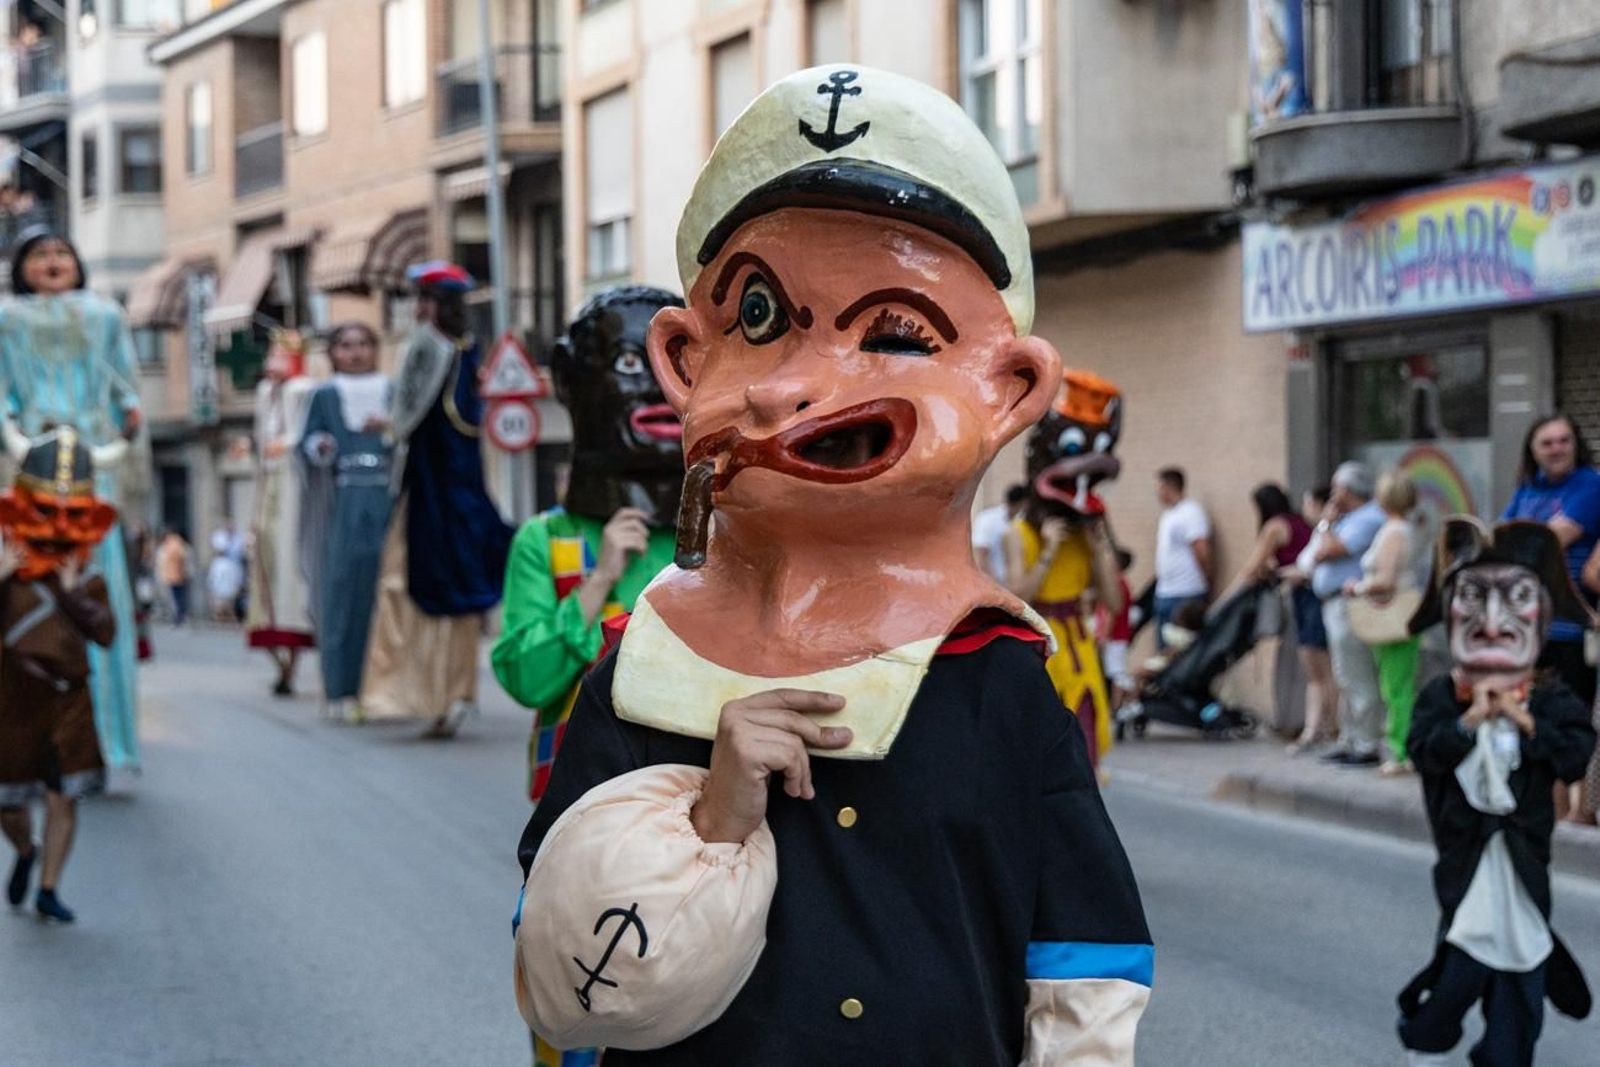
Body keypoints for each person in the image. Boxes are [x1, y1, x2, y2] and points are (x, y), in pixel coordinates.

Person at [511, 65, 1151, 1064]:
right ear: (686, 362)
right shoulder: (642, 668)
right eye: (760, 319)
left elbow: (1085, 958)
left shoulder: (995, 682)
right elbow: (561, 963)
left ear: (1009, 390)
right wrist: (707, 822)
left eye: (894, 333)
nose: (793, 387)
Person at [1398, 518, 1596, 1067]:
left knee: (1520, 983)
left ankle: (1500, 1056)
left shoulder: (1551, 699)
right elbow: (1423, 751)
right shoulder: (1442, 697)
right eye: (1471, 598)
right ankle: (1426, 1040)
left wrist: (1527, 724)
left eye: (1516, 598)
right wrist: (1469, 723)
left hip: (1524, 862)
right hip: (1465, 862)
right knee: (1462, 968)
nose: (1490, 621)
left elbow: (1574, 757)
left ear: (1544, 616)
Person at [493, 286, 683, 809]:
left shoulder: (722, 534)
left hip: (693, 792)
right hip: (579, 795)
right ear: (569, 379)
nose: (658, 386)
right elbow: (527, 681)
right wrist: (599, 581)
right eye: (630, 363)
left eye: (677, 363)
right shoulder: (546, 541)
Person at [0, 228, 143, 773]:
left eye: (61, 252)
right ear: (22, 268)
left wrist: (129, 417)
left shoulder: (106, 315)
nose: (52, 261)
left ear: (79, 263)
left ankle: (103, 736)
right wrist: (14, 434)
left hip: (92, 463)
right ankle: (23, 737)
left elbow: (123, 385)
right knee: (22, 580)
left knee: (94, 582)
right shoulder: (6, 318)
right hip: (27, 463)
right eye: (39, 255)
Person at [359, 263, 513, 737]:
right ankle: (437, 697)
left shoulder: (433, 347)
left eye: (424, 298)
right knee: (417, 586)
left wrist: (389, 426)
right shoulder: (465, 350)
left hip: (436, 495)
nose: (418, 308)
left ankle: (427, 696)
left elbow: (412, 417)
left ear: (436, 304)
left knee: (405, 585)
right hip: (444, 493)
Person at [0, 429, 119, 923]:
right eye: (48, 510)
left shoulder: (88, 576)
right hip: (12, 701)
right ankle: (26, 850)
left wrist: (71, 593)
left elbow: (106, 634)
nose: (60, 526)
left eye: (74, 513)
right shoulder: (5, 568)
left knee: (63, 798)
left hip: (68, 700)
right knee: (8, 807)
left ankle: (49, 888)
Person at [1005, 367, 1125, 765]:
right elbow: (1018, 597)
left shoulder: (1086, 535)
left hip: (1080, 646)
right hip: (1040, 648)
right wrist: (1048, 551)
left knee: (1086, 742)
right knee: (1040, 751)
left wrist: (1100, 548)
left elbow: (1113, 601)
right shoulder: (1019, 533)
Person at [298, 322, 394, 720]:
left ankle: (386, 688)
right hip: (344, 501)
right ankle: (341, 687)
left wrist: (390, 427)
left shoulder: (393, 389)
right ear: (333, 352)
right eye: (346, 345)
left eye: (363, 344)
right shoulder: (324, 394)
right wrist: (320, 445)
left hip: (389, 498)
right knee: (342, 593)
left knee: (388, 592)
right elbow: (307, 443)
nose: (355, 352)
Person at [1220, 482, 1336, 753]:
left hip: (1304, 597)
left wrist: (1223, 603)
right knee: (1315, 669)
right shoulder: (1301, 523)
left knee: (1312, 667)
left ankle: (1315, 726)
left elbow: (1252, 568)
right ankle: (1316, 727)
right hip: (1308, 596)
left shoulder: (1277, 526)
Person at [1500, 414, 1600, 711]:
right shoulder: (1528, 487)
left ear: (1576, 444)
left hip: (1570, 630)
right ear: (1532, 450)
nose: (1557, 449)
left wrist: (1518, 539)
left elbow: (1548, 542)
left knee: (1569, 718)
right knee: (1522, 714)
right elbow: (1498, 541)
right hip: (1522, 626)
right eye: (1547, 443)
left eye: (1564, 441)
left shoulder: (1590, 485)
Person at [244, 328, 317, 695]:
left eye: (280, 353)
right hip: (268, 483)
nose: (273, 359)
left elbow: (303, 433)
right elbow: (262, 439)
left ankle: (292, 658)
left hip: (290, 484)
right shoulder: (265, 393)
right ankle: (281, 662)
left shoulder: (302, 389)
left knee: (289, 565)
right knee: (266, 563)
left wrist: (285, 445)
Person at [1345, 471, 1423, 776]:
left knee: (1396, 688)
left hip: (1394, 616)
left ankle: (1400, 751)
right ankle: (1400, 747)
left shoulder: (1393, 532)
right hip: (1399, 616)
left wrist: (1357, 587)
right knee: (1396, 684)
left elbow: (1386, 580)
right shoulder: (1403, 528)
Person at [1312, 462, 1388, 767]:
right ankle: (1350, 738)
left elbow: (1327, 551)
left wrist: (1325, 523)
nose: (1332, 494)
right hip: (1336, 604)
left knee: (1357, 674)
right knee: (1344, 674)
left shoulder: (1367, 518)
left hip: (1350, 606)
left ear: (1348, 489)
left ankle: (1366, 743)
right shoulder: (1351, 518)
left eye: (1336, 487)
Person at [1153, 466, 1211, 649]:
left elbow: (1201, 549)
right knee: (1163, 649)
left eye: (1159, 487)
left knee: (1182, 649)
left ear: (1169, 487)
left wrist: (1207, 579)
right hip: (1165, 591)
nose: (1157, 492)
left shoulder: (1191, 512)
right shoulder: (1168, 514)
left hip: (1186, 592)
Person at [972, 483, 1027, 581]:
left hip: (1017, 581)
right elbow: (982, 556)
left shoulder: (1023, 520)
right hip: (994, 580)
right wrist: (994, 584)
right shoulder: (987, 519)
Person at [206, 521, 244, 624]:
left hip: (231, 575)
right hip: (221, 580)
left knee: (229, 601)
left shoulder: (237, 538)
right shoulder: (217, 562)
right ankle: (219, 617)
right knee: (219, 601)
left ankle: (228, 617)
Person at [156, 527, 191, 625]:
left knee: (174, 597)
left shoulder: (169, 546)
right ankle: (179, 615)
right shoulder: (181, 545)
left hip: (171, 576)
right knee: (179, 597)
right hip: (179, 575)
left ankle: (177, 616)